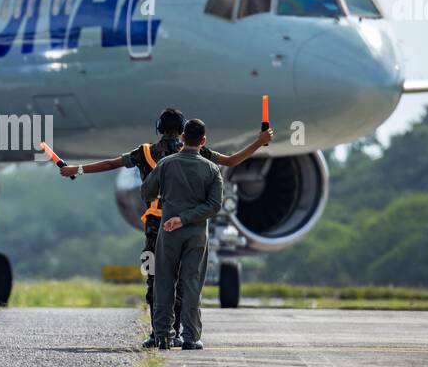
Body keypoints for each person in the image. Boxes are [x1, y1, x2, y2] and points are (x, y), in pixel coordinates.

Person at [60, 109, 271, 347]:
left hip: (156, 225)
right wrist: (259, 142)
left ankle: (159, 334)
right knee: (187, 280)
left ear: (159, 128)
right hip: (190, 223)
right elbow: (231, 161)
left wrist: (76, 169)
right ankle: (181, 333)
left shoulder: (146, 152)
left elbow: (111, 164)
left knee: (157, 279)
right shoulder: (199, 152)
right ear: (184, 133)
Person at [140, 118, 224, 350]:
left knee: (163, 282)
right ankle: (190, 337)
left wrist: (173, 210)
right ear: (203, 141)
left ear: (183, 138)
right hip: (196, 234)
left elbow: (147, 192)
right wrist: (186, 218)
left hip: (168, 230)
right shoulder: (211, 169)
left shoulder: (165, 164)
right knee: (192, 284)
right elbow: (215, 205)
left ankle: (162, 336)